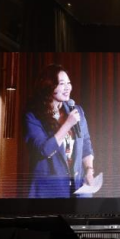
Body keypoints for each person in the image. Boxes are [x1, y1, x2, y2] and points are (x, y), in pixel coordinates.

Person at [23, 64, 95, 198]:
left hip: (78, 188)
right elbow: (44, 150)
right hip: (49, 191)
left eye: (69, 83)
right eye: (62, 84)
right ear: (49, 86)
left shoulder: (76, 111)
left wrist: (89, 170)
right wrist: (67, 124)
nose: (68, 87)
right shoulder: (33, 116)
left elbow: (86, 144)